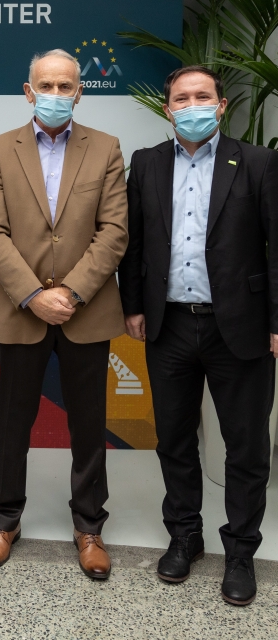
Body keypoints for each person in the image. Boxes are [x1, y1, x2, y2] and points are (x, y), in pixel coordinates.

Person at [119, 65, 278, 606]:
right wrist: (133, 307)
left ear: (221, 105)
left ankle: (241, 552)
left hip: (241, 326)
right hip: (167, 325)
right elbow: (133, 243)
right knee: (174, 439)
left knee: (246, 446)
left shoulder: (257, 162)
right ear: (167, 108)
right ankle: (185, 535)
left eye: (202, 96)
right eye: (182, 98)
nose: (192, 106)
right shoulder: (147, 163)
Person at [0, 49, 128, 579]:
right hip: (22, 310)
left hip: (88, 311)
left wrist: (73, 293)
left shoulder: (106, 148)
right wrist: (33, 295)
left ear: (80, 92)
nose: (56, 95)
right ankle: (4, 520)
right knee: (12, 421)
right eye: (47, 85)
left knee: (88, 423)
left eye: (66, 86)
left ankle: (89, 526)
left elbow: (114, 231)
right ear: (28, 91)